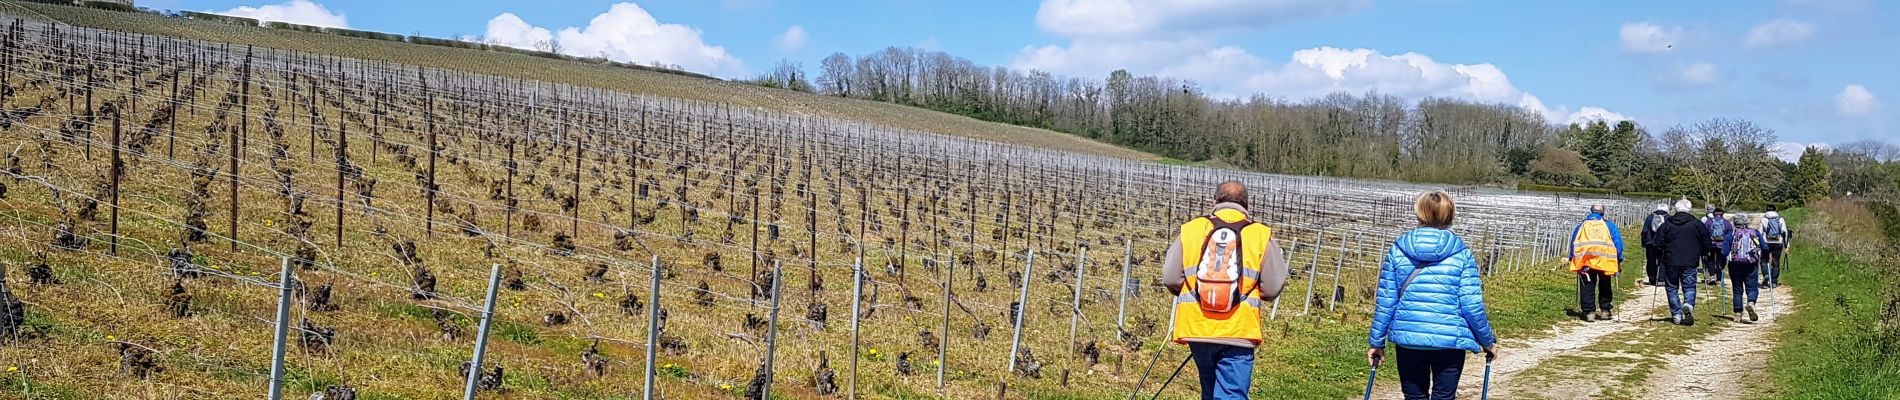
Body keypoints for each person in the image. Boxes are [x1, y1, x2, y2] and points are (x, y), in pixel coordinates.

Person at [1161, 181, 1291, 400]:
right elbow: (1272, 288)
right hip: (1239, 331)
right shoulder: (1260, 234)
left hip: (1198, 328)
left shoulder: (1191, 229)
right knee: (1231, 395)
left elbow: (1170, 278)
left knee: (1209, 393)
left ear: (1215, 201)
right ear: (1247, 205)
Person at [1367, 191, 1498, 400]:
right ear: (1450, 215)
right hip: (1449, 342)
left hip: (1409, 339)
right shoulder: (1461, 255)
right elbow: (1471, 305)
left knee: (1414, 397)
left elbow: (1386, 302)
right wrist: (1488, 342)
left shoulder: (1398, 251)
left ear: (1419, 213)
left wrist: (1376, 342)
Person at [1657, 199, 1717, 325]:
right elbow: (1707, 242)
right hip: (1691, 260)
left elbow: (1658, 242)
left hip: (1671, 260)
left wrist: (1660, 255)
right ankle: (1688, 304)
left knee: (1672, 287)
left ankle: (1676, 314)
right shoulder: (1697, 224)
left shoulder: (1667, 224)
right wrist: (1705, 252)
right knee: (1689, 286)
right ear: (1689, 209)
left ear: (1675, 209)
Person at [1569, 204, 1624, 322]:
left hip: (1585, 261)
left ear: (1590, 212)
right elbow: (1618, 244)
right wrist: (1619, 260)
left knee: (1587, 284)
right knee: (1605, 284)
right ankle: (1605, 310)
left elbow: (1574, 242)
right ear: (1603, 213)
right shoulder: (1609, 226)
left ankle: (1589, 312)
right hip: (1605, 260)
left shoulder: (1582, 226)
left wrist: (1572, 258)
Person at [1726, 214, 1767, 323]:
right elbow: (1765, 247)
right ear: (1747, 222)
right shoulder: (1755, 233)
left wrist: (1720, 265)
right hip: (1751, 264)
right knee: (1752, 287)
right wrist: (1765, 258)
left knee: (1737, 289)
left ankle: (1738, 314)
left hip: (1735, 265)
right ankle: (1751, 303)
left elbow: (1724, 251)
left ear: (1734, 223)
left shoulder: (1731, 234)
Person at [1701, 208, 1735, 285]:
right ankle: (1719, 279)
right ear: (1723, 214)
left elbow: (1704, 232)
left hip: (1711, 244)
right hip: (1722, 245)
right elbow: (1729, 234)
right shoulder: (1726, 223)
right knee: (1719, 261)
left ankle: (1712, 275)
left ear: (1713, 214)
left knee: (1710, 259)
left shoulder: (1709, 222)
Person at [1760, 208, 1792, 288]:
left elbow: (1760, 232)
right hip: (1778, 243)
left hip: (1766, 242)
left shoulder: (1764, 219)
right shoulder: (1780, 219)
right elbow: (1784, 232)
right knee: (1776, 262)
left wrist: (1758, 244)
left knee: (1764, 260)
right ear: (1775, 210)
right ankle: (1774, 281)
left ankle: (1766, 275)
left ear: (1766, 210)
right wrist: (1786, 246)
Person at [1640, 204, 1670, 286]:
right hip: (1663, 243)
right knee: (1663, 260)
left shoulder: (1650, 217)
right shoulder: (1668, 218)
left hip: (1650, 242)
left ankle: (1652, 278)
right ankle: (1661, 278)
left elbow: (1645, 231)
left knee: (1651, 260)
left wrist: (1643, 242)